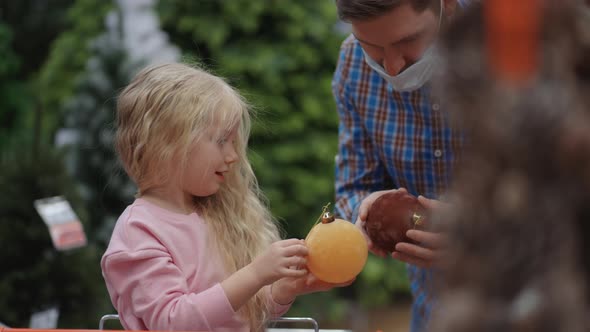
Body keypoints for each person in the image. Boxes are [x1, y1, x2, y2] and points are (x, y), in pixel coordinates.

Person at [101, 63, 346, 332]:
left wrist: (280, 291)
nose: (234, 156)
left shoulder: (214, 212)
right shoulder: (139, 231)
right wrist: (255, 274)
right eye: (221, 141)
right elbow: (173, 322)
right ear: (168, 143)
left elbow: (237, 315)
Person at [331, 0, 469, 331]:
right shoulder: (353, 63)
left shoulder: (519, 45)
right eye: (373, 48)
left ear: (445, 6)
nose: (392, 67)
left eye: (407, 41)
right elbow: (353, 187)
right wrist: (367, 209)